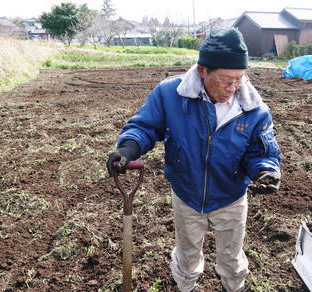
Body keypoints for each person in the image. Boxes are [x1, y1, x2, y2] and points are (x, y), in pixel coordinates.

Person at [107, 28, 281, 292]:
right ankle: (186, 287)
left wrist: (265, 171)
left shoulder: (254, 109)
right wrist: (128, 149)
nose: (232, 88)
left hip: (231, 196)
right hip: (186, 193)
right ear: (203, 71)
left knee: (232, 259)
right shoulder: (171, 94)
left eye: (239, 79)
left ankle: (233, 288)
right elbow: (145, 126)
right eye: (225, 80)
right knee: (187, 256)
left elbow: (261, 152)